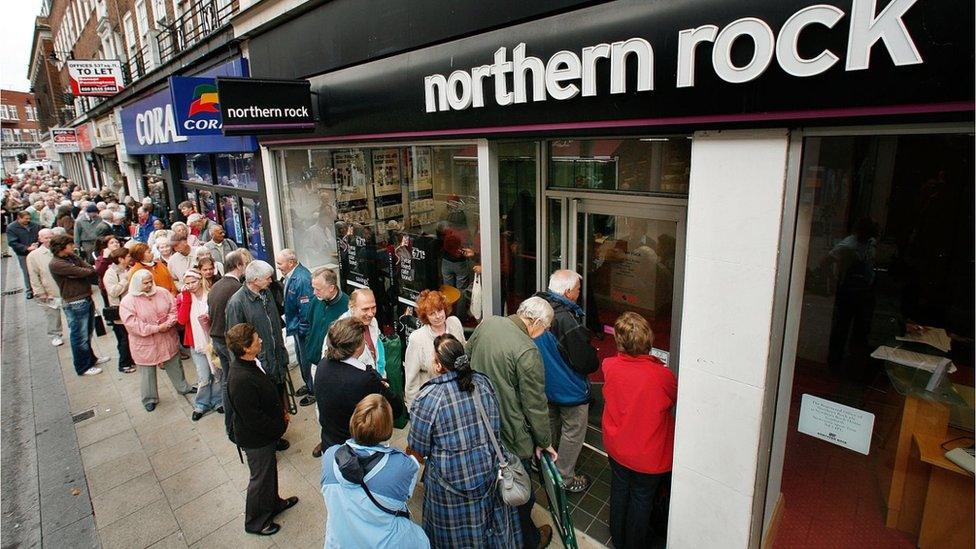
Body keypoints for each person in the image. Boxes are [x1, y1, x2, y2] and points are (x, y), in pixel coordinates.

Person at [408, 334, 520, 547]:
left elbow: (418, 447)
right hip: (487, 473)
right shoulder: (483, 383)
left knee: (453, 539)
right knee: (487, 530)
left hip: (448, 487)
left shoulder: (429, 398)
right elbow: (496, 426)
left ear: (438, 364)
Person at [468, 296, 557, 549]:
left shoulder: (489, 323)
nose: (544, 333)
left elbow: (466, 355)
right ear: (536, 322)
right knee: (520, 493)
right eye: (546, 328)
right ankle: (526, 540)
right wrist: (544, 441)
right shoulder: (527, 350)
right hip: (511, 435)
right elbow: (535, 405)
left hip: (479, 421)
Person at [601, 312, 676, 549]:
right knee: (642, 499)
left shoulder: (609, 365)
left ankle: (618, 536)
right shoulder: (662, 376)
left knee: (620, 490)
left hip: (617, 447)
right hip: (648, 455)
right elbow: (673, 399)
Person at [321, 394, 429, 548]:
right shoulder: (402, 466)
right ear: (387, 428)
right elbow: (405, 495)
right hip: (385, 542)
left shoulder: (330, 456)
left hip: (340, 541)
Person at [225, 323, 299, 536]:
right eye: (256, 339)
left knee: (269, 474)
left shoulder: (249, 364)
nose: (261, 340)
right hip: (256, 439)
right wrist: (278, 428)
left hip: (264, 435)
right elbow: (253, 418)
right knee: (260, 478)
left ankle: (273, 504)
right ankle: (256, 522)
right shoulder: (240, 379)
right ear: (246, 348)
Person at [534, 270, 600, 493]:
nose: (580, 294)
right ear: (567, 292)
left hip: (544, 384)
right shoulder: (566, 319)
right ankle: (563, 477)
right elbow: (586, 362)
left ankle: (542, 463)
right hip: (569, 389)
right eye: (578, 289)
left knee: (550, 424)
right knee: (573, 432)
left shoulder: (535, 306)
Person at [225, 260, 290, 451]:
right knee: (262, 406)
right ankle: (269, 440)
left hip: (275, 358)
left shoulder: (266, 293)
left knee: (276, 398)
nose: (271, 280)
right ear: (254, 280)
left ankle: (277, 432)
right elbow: (235, 341)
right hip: (259, 365)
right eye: (267, 278)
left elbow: (274, 324)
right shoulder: (237, 303)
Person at [315, 317, 405, 450]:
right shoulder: (364, 379)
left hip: (330, 443)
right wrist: (384, 386)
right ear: (357, 347)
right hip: (356, 451)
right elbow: (395, 409)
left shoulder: (322, 365)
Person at [120, 270, 195, 411]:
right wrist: (157, 328)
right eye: (145, 283)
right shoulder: (128, 301)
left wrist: (169, 322)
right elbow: (133, 325)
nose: (149, 285)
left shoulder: (162, 292)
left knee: (174, 364)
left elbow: (174, 309)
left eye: (150, 281)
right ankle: (149, 398)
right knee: (147, 372)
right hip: (146, 344)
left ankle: (183, 387)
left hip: (167, 338)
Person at [48, 235, 109, 376]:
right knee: (79, 336)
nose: (73, 247)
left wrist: (82, 271)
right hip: (75, 302)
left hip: (85, 297)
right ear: (62, 247)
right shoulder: (56, 264)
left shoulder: (72, 257)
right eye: (70, 244)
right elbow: (84, 271)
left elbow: (88, 268)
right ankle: (83, 366)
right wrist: (81, 271)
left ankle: (91, 359)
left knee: (87, 332)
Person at [208, 249, 252, 439]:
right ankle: (237, 426)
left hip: (217, 340)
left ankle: (230, 424)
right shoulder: (235, 289)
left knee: (227, 382)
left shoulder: (216, 286)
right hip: (228, 343)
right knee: (236, 385)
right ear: (239, 266)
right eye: (245, 264)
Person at [403, 289, 467, 408]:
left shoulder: (455, 323)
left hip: (459, 392)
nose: (438, 316)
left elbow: (464, 351)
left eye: (439, 310)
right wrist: (414, 408)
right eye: (432, 313)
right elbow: (411, 379)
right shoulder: (417, 338)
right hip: (433, 400)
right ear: (425, 316)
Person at [177, 269, 222, 420]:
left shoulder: (210, 295)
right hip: (196, 343)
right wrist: (186, 299)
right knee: (203, 376)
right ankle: (201, 404)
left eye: (193, 282)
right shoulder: (185, 297)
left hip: (212, 341)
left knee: (216, 373)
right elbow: (182, 320)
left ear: (200, 280)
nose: (190, 286)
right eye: (187, 283)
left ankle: (217, 400)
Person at [275, 249, 314, 404]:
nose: (278, 266)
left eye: (280, 263)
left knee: (306, 360)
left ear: (290, 263)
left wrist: (302, 330)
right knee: (301, 358)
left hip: (302, 330)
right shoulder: (291, 276)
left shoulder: (302, 279)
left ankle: (313, 390)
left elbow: (306, 309)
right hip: (297, 328)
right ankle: (308, 383)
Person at [322, 288, 385, 377]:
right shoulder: (339, 330)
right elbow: (328, 362)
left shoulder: (372, 321)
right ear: (352, 307)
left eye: (373, 307)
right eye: (365, 309)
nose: (371, 314)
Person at [26, 228, 63, 346]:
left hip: (65, 287)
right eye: (46, 238)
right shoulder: (33, 256)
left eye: (51, 237)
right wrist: (40, 292)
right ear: (40, 239)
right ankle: (55, 335)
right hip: (49, 289)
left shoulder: (60, 250)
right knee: (53, 314)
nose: (49, 240)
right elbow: (33, 276)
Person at [103, 247, 135, 373]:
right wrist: (125, 279)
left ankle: (131, 359)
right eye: (127, 256)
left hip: (131, 308)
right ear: (120, 259)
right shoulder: (110, 273)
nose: (130, 258)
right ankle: (124, 364)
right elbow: (113, 292)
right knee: (124, 339)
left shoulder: (128, 269)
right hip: (120, 310)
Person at [7, 210, 41, 297]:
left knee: (39, 270)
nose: (28, 220)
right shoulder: (11, 227)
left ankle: (40, 289)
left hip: (36, 252)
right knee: (27, 272)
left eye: (29, 218)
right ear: (19, 218)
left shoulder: (35, 225)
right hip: (23, 254)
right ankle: (29, 290)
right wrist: (26, 248)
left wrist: (37, 243)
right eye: (26, 219)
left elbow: (40, 236)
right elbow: (12, 242)